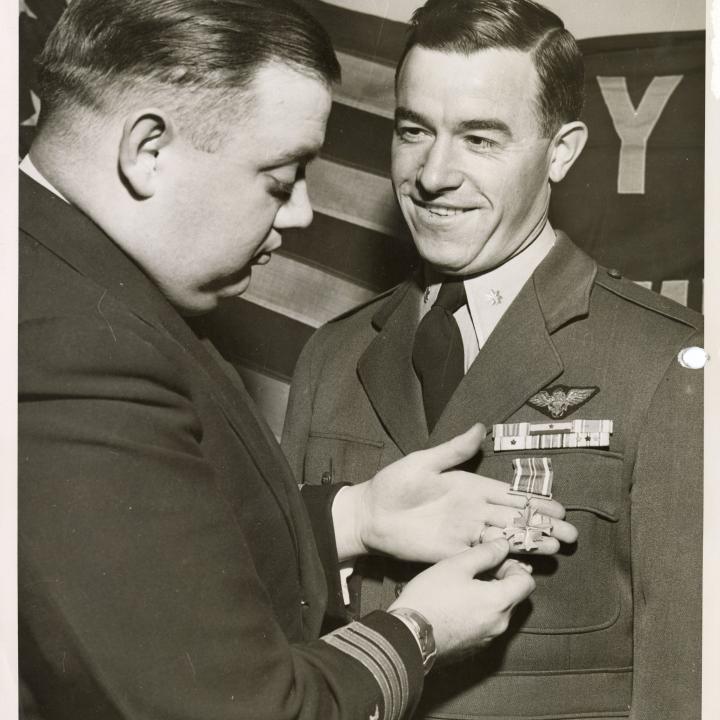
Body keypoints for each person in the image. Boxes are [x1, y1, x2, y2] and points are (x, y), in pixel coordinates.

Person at [18, 1, 583, 718]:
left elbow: (142, 568)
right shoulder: (70, 349)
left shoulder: (71, 284)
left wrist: (354, 517)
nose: (301, 214)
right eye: (281, 179)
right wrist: (419, 631)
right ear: (148, 151)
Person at [282, 1, 704, 718]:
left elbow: (685, 682)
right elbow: (276, 626)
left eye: (480, 138)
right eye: (414, 130)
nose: (434, 173)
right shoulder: (334, 353)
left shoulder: (666, 363)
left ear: (562, 150)